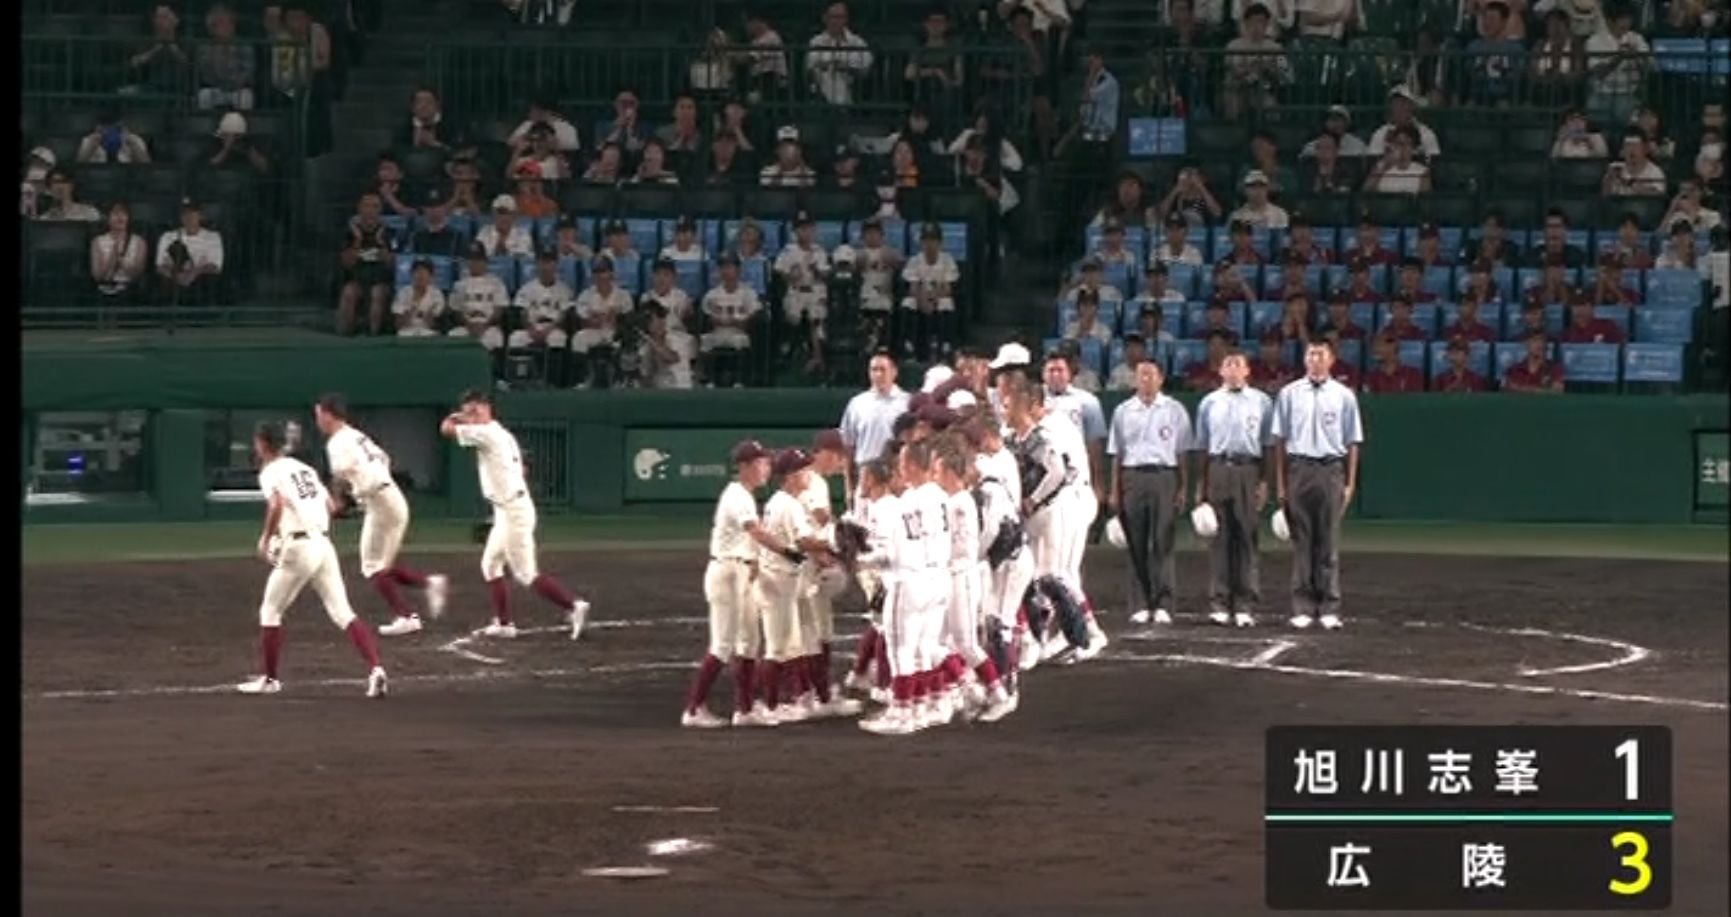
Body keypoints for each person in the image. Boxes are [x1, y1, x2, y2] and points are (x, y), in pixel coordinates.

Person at [236, 421, 387, 698]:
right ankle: (376, 668)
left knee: (270, 611)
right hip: (323, 544)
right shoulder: (304, 468)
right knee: (343, 612)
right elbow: (331, 506)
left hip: (299, 547)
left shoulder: (271, 471)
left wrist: (267, 538)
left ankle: (270, 680)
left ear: (263, 444)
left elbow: (276, 504)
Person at [439, 389, 592, 639]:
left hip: (513, 511)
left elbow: (446, 429)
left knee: (525, 573)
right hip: (507, 509)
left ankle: (573, 606)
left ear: (486, 408)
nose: (472, 417)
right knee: (490, 565)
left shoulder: (488, 433)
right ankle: (504, 624)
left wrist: (456, 417)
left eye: (475, 411)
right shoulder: (502, 433)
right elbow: (522, 469)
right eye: (469, 412)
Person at [314, 392, 447, 637]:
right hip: (384, 499)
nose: (318, 420)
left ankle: (407, 615)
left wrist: (338, 501)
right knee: (375, 564)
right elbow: (385, 458)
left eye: (319, 414)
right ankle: (428, 585)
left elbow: (340, 477)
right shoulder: (356, 435)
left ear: (329, 415)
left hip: (383, 502)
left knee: (375, 566)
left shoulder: (337, 442)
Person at [1000, 372, 1109, 664]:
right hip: (1057, 502)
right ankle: (1058, 632)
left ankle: (1089, 633)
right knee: (1050, 574)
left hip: (1069, 501)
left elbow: (1059, 472)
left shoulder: (1052, 427)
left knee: (1060, 574)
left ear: (1031, 404)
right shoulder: (1039, 428)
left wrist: (1033, 499)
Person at [683, 440, 780, 728]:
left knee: (749, 642)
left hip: (741, 572)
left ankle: (745, 709)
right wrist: (793, 554)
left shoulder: (745, 495)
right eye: (762, 463)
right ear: (745, 466)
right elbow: (756, 532)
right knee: (723, 645)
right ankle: (693, 709)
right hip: (727, 572)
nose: (767, 468)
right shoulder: (736, 495)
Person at [1271, 341, 1365, 630]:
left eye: (1320, 354)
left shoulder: (1344, 396)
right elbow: (1280, 441)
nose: (1315, 359)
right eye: (1310, 354)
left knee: (1328, 541)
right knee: (1302, 540)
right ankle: (1302, 605)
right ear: (1304, 359)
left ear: (1331, 359)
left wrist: (1349, 482)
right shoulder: (1289, 394)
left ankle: (1329, 606)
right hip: (1300, 468)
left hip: (1330, 468)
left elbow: (1352, 442)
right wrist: (1281, 484)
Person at [754, 448, 846, 724]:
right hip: (779, 582)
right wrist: (835, 544)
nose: (808, 474)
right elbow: (803, 542)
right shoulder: (788, 505)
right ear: (791, 476)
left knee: (808, 637)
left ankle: (812, 697)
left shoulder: (781, 501)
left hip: (790, 579)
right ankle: (772, 705)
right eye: (803, 470)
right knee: (780, 647)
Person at [931, 436, 1014, 720]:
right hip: (952, 575)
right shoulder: (953, 500)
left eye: (938, 471)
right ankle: (966, 687)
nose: (934, 477)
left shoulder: (959, 502)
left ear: (950, 473)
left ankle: (998, 694)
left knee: (966, 643)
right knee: (939, 643)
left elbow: (957, 546)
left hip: (961, 576)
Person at [1107, 359, 1192, 627]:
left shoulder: (1174, 410)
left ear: (1160, 379)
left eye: (1150, 374)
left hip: (1164, 475)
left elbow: (1182, 452)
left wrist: (1183, 486)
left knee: (1162, 540)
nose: (1145, 379)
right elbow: (1117, 454)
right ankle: (1140, 602)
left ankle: (1164, 602)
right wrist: (1115, 490)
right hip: (1133, 476)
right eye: (1141, 374)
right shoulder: (1123, 411)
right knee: (1136, 542)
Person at [1193, 351, 1275, 627]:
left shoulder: (1262, 402)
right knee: (1220, 537)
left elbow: (1267, 444)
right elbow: (1203, 446)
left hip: (1248, 468)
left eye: (1238, 364)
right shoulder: (1209, 403)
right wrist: (1202, 484)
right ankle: (1220, 601)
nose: (1233, 368)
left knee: (1246, 536)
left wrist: (1264, 481)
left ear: (1247, 370)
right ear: (1221, 371)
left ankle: (1244, 604)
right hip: (1219, 467)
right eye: (1228, 364)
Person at [839, 350, 911, 498]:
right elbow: (848, 447)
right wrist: (848, 487)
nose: (878, 374)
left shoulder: (907, 402)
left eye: (883, 370)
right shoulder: (857, 403)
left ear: (894, 372)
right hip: (865, 474)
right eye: (874, 370)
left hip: (896, 474)